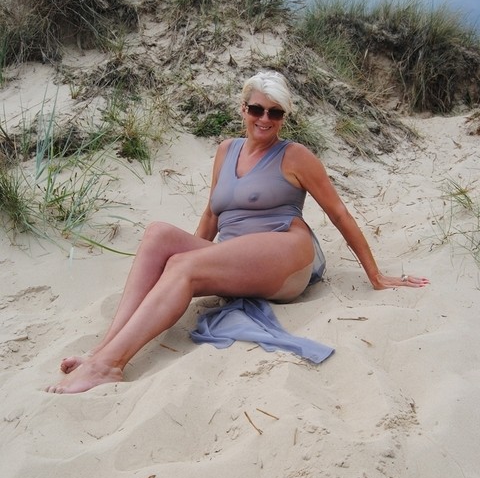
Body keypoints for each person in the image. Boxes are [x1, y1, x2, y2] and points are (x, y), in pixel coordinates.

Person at [46, 71, 429, 394]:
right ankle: (102, 350)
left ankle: (110, 366)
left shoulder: (295, 156)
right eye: (257, 109)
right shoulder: (226, 150)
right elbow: (213, 215)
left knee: (183, 266)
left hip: (288, 251)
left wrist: (375, 275)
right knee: (159, 235)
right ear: (243, 108)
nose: (265, 119)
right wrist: (197, 252)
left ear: (283, 118)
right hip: (239, 253)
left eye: (275, 112)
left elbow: (339, 213)